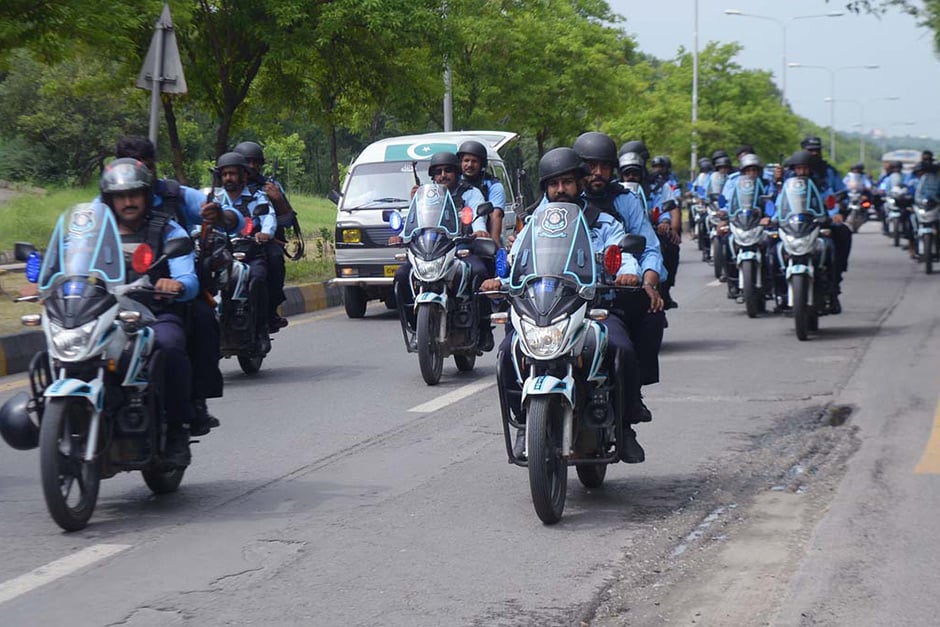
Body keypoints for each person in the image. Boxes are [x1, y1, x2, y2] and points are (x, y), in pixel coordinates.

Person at [483, 147, 648, 463]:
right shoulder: (531, 226)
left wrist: (627, 272)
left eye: (568, 182)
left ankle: (625, 428)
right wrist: (497, 281)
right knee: (507, 353)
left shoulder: (603, 223)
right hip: (542, 309)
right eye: (554, 183)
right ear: (545, 187)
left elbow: (624, 254)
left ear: (580, 184)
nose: (561, 190)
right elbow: (515, 262)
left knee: (621, 349)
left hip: (593, 308)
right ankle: (524, 424)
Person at [114, 135, 242, 436]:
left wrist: (219, 215)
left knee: (200, 322)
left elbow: (230, 217)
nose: (130, 197)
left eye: (145, 169)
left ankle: (192, 403)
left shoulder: (174, 199)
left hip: (168, 287)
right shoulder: (106, 202)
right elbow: (77, 240)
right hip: (112, 293)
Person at [99, 159, 199, 466]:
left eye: (134, 194)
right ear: (110, 199)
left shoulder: (167, 230)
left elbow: (189, 278)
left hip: (152, 314)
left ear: (145, 195)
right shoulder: (94, 232)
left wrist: (176, 285)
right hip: (100, 315)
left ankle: (179, 430)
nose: (128, 201)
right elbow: (68, 262)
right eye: (120, 195)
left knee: (168, 346)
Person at [390, 151, 495, 352]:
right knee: (402, 275)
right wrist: (401, 236)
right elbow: (413, 222)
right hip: (427, 252)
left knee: (479, 272)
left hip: (459, 250)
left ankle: (483, 329)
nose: (443, 175)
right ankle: (415, 326)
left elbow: (477, 215)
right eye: (438, 172)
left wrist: (479, 229)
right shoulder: (425, 196)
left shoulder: (470, 193)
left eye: (448, 170)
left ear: (456, 172)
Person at [207, 151, 275, 354]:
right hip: (220, 255)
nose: (229, 178)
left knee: (257, 280)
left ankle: (261, 329)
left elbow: (269, 218)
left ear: (243, 176)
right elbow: (200, 221)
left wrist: (264, 233)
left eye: (233, 174)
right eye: (225, 174)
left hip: (251, 254)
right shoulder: (214, 199)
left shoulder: (257, 198)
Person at [233, 141, 294, 333]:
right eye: (247, 162)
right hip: (231, 241)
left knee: (275, 259)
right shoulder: (225, 187)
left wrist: (278, 199)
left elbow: (287, 220)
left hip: (261, 241)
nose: (252, 166)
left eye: (256, 162)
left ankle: (271, 311)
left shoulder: (268, 187)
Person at [798, 136, 851, 311]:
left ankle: (834, 285)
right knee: (772, 244)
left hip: (821, 220)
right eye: (810, 150)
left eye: (816, 150)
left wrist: (836, 213)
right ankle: (776, 287)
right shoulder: (791, 173)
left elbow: (835, 195)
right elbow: (779, 197)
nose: (814, 153)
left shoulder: (828, 172)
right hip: (795, 223)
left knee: (841, 235)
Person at [456, 140, 506, 246]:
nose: (469, 165)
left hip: (482, 238)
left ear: (482, 164)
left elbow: (496, 215)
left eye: (474, 161)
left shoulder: (494, 186)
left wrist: (493, 245)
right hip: (455, 239)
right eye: (466, 160)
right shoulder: (453, 182)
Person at [649, 155, 681, 309]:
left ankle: (666, 289)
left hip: (653, 228)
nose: (631, 176)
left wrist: (666, 222)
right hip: (626, 231)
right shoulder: (619, 187)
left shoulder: (659, 185)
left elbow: (668, 207)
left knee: (672, 246)